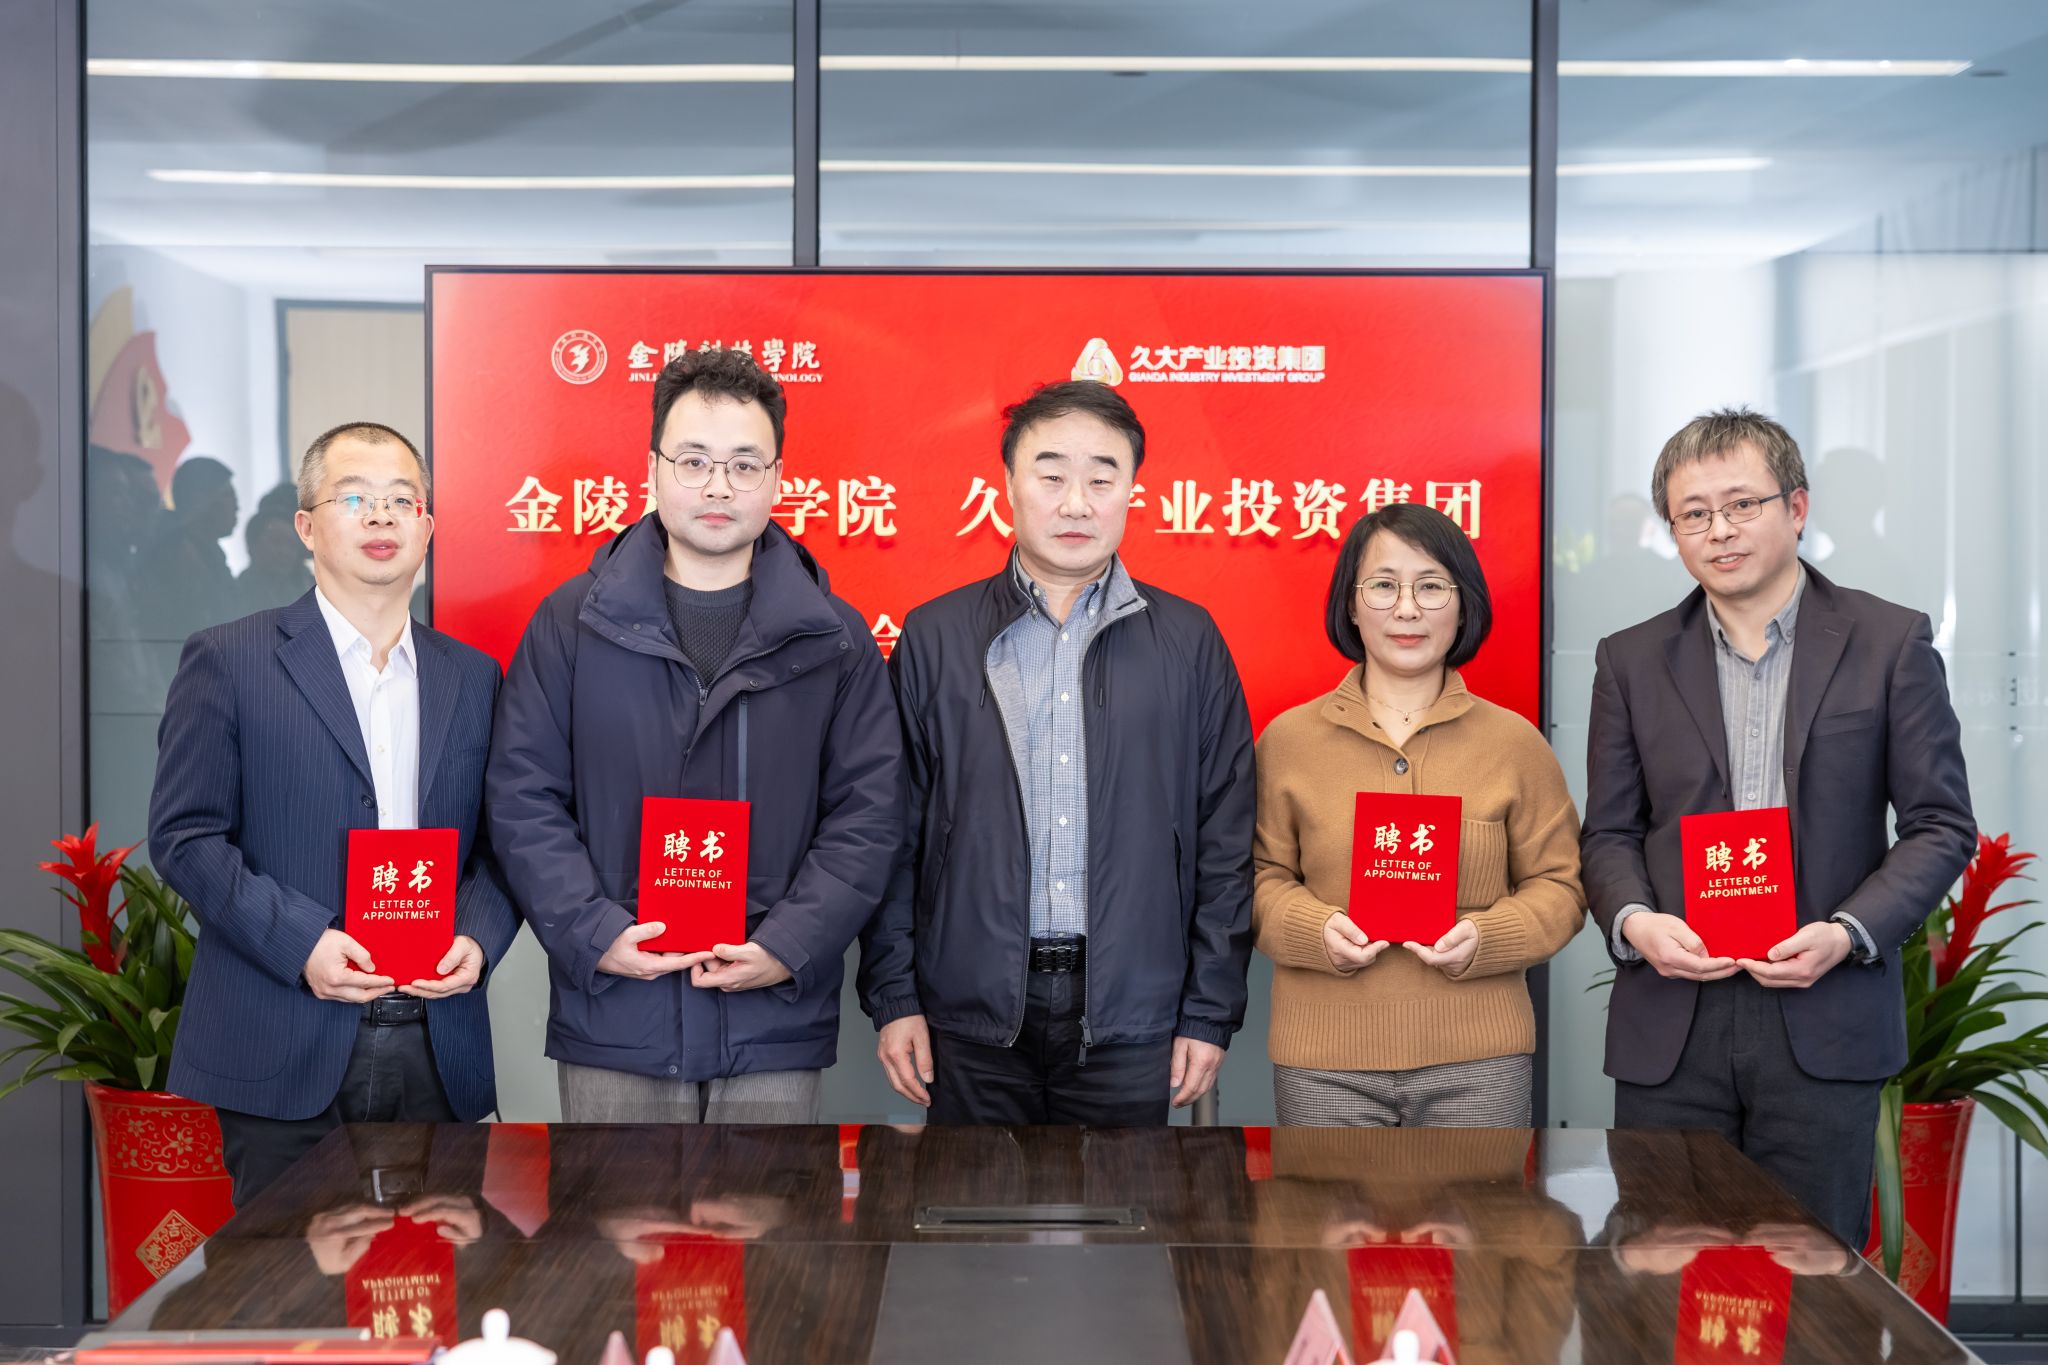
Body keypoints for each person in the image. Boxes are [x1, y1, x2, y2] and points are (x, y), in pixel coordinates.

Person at [1581, 406, 1975, 1247]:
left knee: (1811, 1272)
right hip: (1674, 1019)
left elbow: (1940, 823)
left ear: (1796, 507)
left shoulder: (1888, 641)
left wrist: (1848, 932)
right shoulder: (1630, 659)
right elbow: (1609, 833)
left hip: (1822, 1014)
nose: (1719, 531)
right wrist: (1637, 921)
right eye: (1693, 514)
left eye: (1741, 504)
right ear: (1673, 532)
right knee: (1662, 1267)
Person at [486, 347, 901, 1124]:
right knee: (613, 1209)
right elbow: (522, 796)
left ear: (776, 478)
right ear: (653, 469)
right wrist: (594, 932)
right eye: (694, 461)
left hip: (771, 1017)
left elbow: (870, 813)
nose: (718, 486)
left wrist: (788, 944)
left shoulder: (834, 638)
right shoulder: (572, 622)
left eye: (744, 465)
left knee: (768, 1208)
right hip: (618, 1010)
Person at [860, 379, 1255, 1124]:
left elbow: (1225, 845)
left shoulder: (1189, 641)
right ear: (1008, 485)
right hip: (967, 1012)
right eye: (1051, 476)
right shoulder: (936, 636)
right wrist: (895, 996)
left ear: (1132, 491)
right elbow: (892, 834)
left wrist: (1208, 1012)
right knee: (970, 1199)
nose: (1076, 503)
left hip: (1134, 1014)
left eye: (1102, 479)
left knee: (1124, 1201)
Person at [151, 421, 520, 1205]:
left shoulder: (474, 677)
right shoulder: (229, 659)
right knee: (287, 1276)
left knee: (428, 1271)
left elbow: (502, 844)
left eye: (401, 500)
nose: (381, 515)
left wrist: (479, 937)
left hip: (435, 1041)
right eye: (354, 498)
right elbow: (185, 837)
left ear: (427, 527)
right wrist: (302, 942)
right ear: (306, 526)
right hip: (283, 1034)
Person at [1252, 503, 1584, 1126]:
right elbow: (1255, 878)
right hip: (1324, 1059)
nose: (1407, 609)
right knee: (1322, 1198)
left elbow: (1562, 887)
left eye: (1432, 587)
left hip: (1481, 1058)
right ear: (1351, 606)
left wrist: (1489, 937)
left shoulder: (1515, 743)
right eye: (1383, 585)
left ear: (1463, 606)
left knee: (1484, 1198)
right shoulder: (1288, 741)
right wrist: (1312, 929)